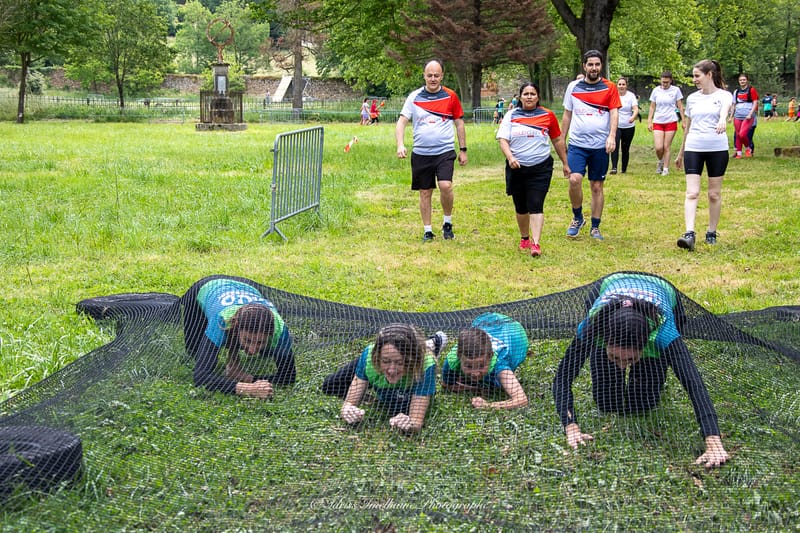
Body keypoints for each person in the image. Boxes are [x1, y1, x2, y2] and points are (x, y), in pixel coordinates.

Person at [552, 272, 730, 468]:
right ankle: (617, 357)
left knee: (643, 403)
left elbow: (693, 383)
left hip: (662, 292)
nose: (621, 365)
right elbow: (562, 377)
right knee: (606, 402)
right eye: (615, 357)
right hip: (611, 286)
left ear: (647, 344)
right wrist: (571, 426)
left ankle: (642, 362)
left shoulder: (664, 331)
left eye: (630, 359)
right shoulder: (593, 327)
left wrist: (713, 441)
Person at [180, 275, 296, 399]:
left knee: (267, 353)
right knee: (193, 351)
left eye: (260, 342)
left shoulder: (280, 329)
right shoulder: (221, 320)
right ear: (236, 328)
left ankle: (250, 344)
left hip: (247, 286)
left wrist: (245, 377)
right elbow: (200, 376)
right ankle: (237, 343)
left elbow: (288, 377)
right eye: (247, 340)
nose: (252, 350)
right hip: (207, 286)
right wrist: (249, 389)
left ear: (271, 334)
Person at [396, 59, 467, 242]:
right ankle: (427, 230)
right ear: (424, 76)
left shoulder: (450, 96)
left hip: (444, 151)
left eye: (436, 75)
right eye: (430, 75)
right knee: (425, 191)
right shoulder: (414, 97)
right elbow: (402, 121)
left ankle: (447, 222)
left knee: (445, 185)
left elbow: (459, 123)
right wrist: (400, 144)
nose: (433, 79)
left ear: (442, 76)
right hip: (421, 152)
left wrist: (463, 149)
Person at [496, 81, 570, 256]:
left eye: (532, 94)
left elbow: (558, 140)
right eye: (526, 94)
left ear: (538, 97)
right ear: (520, 97)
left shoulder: (548, 115)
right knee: (521, 206)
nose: (529, 97)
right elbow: (503, 139)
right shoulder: (511, 115)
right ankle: (524, 238)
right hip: (517, 168)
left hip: (541, 167)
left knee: (536, 203)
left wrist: (566, 164)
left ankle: (536, 244)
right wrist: (511, 158)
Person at [321, 324, 439, 432]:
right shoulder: (369, 356)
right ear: (377, 356)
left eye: (400, 362)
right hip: (377, 369)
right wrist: (347, 411)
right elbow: (349, 403)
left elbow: (416, 422)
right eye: (386, 361)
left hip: (411, 378)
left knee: (398, 406)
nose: (392, 370)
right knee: (329, 385)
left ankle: (433, 344)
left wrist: (409, 424)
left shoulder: (425, 366)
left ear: (412, 359)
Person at [561, 49, 621, 241]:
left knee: (596, 186)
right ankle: (578, 218)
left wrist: (612, 136)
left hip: (600, 145)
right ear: (584, 66)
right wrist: (561, 138)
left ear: (601, 66)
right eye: (590, 64)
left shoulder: (609, 87)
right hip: (577, 144)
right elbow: (567, 114)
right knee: (574, 180)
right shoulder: (573, 87)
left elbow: (614, 113)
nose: (594, 68)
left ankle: (595, 226)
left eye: (597, 64)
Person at [675, 59, 732, 251]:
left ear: (709, 75)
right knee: (692, 192)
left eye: (697, 76)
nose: (694, 80)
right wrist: (681, 152)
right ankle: (689, 233)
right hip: (694, 147)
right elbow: (688, 126)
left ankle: (711, 231)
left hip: (717, 148)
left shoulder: (724, 95)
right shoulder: (692, 99)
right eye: (693, 76)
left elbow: (724, 111)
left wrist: (722, 120)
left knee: (714, 194)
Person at [441, 313, 529, 410]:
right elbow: (447, 384)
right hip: (486, 322)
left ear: (490, 357)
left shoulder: (500, 364)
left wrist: (487, 405)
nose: (475, 373)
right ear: (459, 357)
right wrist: (474, 388)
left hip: (514, 333)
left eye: (481, 365)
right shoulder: (452, 360)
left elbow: (521, 400)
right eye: (469, 366)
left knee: (496, 384)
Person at [647, 70, 685, 176]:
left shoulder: (676, 90)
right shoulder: (656, 91)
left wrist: (683, 121)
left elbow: (680, 106)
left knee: (666, 146)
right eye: (663, 82)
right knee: (659, 147)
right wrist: (649, 120)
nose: (664, 84)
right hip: (658, 120)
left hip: (671, 120)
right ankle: (660, 161)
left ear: (670, 81)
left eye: (666, 82)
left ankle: (665, 169)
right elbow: (652, 106)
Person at [610, 77, 639, 174]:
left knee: (625, 148)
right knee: (615, 145)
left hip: (628, 126)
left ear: (626, 86)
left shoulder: (631, 96)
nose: (621, 86)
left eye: (623, 84)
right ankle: (614, 167)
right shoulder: (613, 95)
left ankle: (624, 168)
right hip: (616, 125)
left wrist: (633, 117)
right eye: (619, 84)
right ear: (617, 85)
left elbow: (635, 109)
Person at [730, 73, 759, 158]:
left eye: (744, 80)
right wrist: (731, 116)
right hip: (737, 115)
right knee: (738, 134)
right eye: (740, 80)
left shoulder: (751, 90)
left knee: (742, 134)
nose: (742, 81)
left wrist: (750, 113)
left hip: (748, 115)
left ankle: (748, 148)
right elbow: (733, 104)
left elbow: (755, 102)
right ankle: (738, 153)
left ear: (747, 80)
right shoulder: (736, 91)